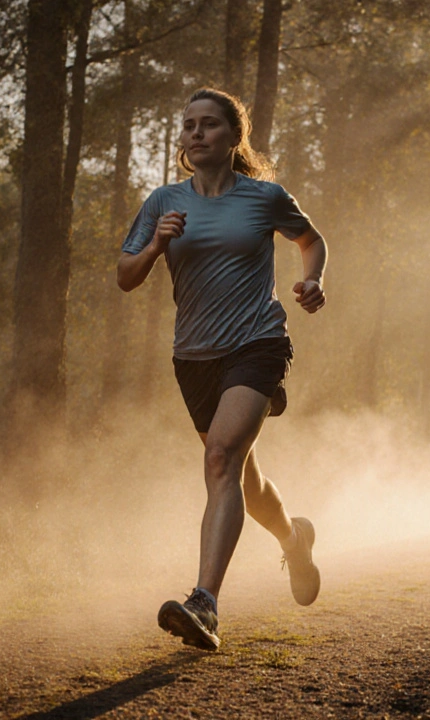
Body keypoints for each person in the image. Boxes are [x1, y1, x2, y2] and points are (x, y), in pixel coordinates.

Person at [116, 88, 328, 651]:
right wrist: (156, 246)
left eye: (209, 124)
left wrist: (313, 280)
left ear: (234, 138)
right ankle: (292, 538)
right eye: (188, 125)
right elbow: (125, 276)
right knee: (241, 476)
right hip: (195, 356)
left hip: (257, 342)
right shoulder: (163, 202)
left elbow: (310, 240)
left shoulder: (264, 197)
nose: (196, 133)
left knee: (219, 460)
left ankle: (204, 603)